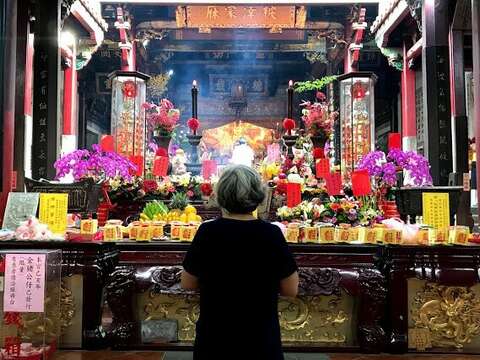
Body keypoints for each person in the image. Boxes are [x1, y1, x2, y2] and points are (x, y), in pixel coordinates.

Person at [181, 165, 299, 360]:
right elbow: (290, 290)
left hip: (215, 337)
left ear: (221, 195)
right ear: (258, 196)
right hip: (260, 337)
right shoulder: (271, 234)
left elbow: (187, 283)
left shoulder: (207, 233)